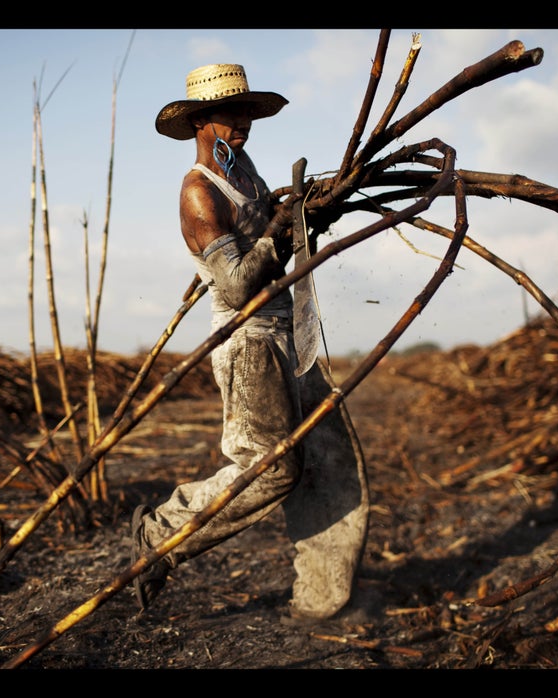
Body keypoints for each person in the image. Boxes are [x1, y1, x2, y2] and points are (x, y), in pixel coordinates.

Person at [131, 63, 370, 624]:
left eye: (247, 112)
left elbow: (277, 244)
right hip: (250, 342)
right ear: (200, 121)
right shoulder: (198, 193)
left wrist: (309, 213)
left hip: (290, 329)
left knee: (329, 455)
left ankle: (322, 599)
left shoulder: (248, 174)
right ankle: (160, 534)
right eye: (231, 114)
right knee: (273, 468)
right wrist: (276, 231)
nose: (243, 122)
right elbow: (238, 285)